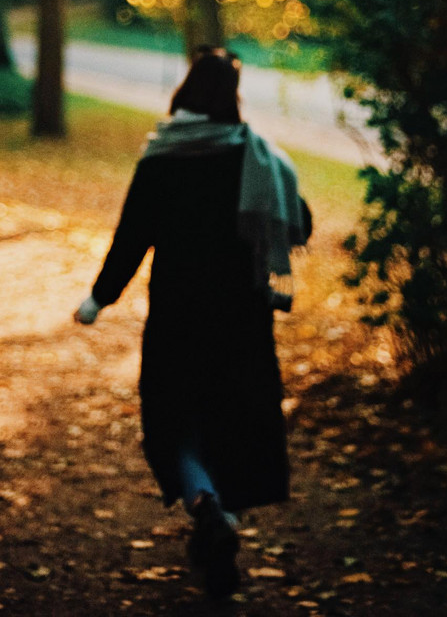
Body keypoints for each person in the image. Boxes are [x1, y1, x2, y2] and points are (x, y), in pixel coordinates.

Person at [73, 47, 312, 599]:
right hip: (243, 316)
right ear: (232, 98)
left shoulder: (162, 156)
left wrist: (98, 300)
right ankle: (221, 513)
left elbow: (131, 237)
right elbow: (299, 221)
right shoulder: (255, 155)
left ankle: (205, 505)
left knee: (172, 417)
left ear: (185, 91)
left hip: (178, 312)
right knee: (229, 415)